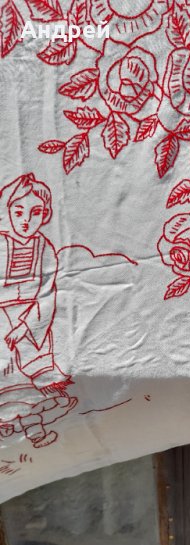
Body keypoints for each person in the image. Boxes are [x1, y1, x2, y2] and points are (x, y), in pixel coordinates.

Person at [0, 174, 77, 448]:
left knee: (27, 383)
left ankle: (23, 428)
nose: (26, 220)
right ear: (7, 210)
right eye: (18, 211)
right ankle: (26, 430)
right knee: (12, 381)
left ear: (45, 215)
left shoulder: (44, 248)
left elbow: (47, 292)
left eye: (35, 212)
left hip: (30, 323)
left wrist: (25, 325)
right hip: (2, 325)